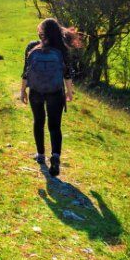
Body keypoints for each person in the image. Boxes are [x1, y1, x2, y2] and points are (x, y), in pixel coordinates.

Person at [20, 17, 77, 177]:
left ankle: (40, 155)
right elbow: (67, 73)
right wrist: (69, 92)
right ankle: (56, 156)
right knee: (55, 126)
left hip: (36, 92)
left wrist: (23, 91)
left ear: (41, 33)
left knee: (38, 122)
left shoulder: (32, 47)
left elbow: (25, 72)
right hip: (55, 92)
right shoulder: (62, 48)